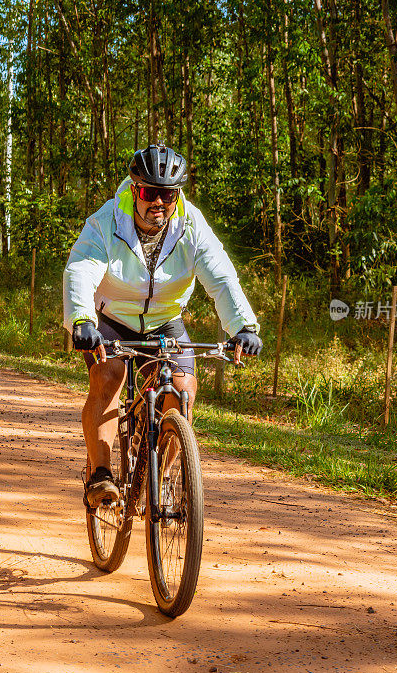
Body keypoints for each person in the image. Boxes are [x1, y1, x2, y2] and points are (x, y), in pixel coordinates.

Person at [63, 143, 262, 508]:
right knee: (108, 377)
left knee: (183, 389)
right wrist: (81, 319)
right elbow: (81, 268)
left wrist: (244, 326)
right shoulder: (108, 221)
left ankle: (158, 477)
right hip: (112, 319)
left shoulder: (191, 226)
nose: (159, 203)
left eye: (168, 195)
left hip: (165, 321)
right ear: (135, 189)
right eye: (150, 192)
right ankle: (101, 475)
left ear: (177, 196)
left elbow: (220, 275)